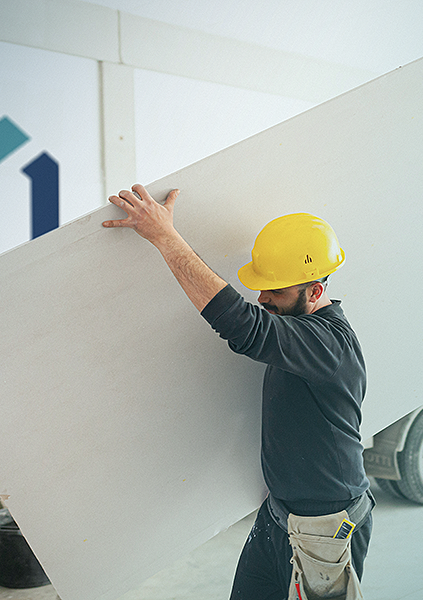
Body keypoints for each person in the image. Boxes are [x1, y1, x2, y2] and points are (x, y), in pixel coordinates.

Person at [103, 184, 372, 599]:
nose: (262, 298)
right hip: (280, 515)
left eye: (276, 291)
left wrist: (165, 237)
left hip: (325, 529)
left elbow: (242, 325)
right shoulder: (304, 333)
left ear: (315, 292)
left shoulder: (326, 344)